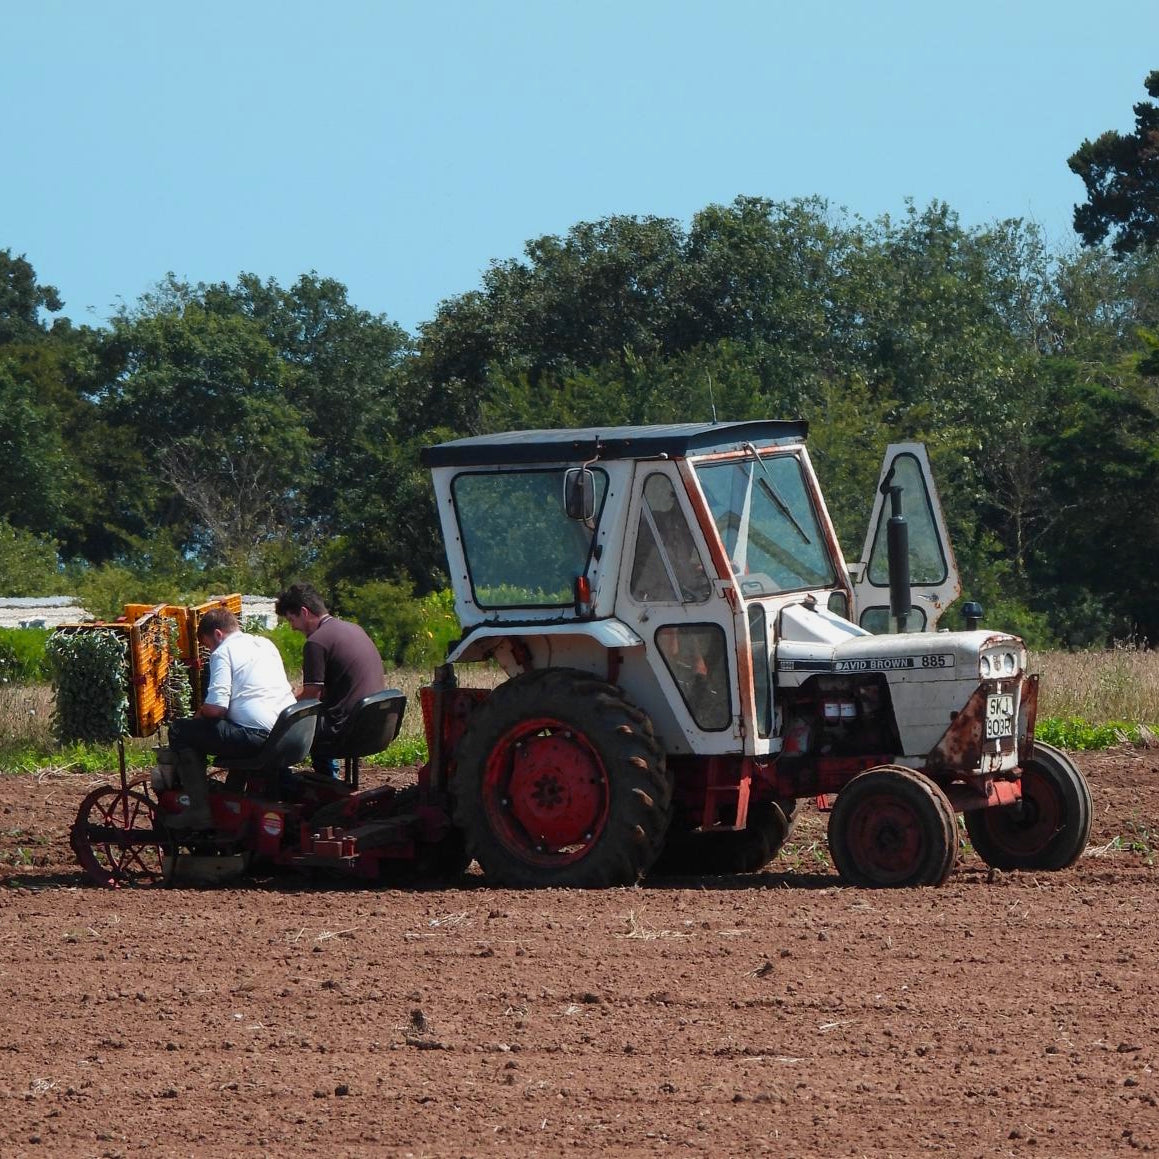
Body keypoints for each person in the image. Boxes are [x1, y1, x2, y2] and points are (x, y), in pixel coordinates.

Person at [165, 608, 296, 828]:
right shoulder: (265, 644)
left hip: (258, 738)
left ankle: (199, 810)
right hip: (287, 731)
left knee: (180, 731)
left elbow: (216, 708)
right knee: (233, 726)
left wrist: (198, 715)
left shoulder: (223, 651)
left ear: (218, 634)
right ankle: (232, 795)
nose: (210, 650)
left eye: (208, 645)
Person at [274, 582, 386, 777]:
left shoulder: (316, 642)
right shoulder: (355, 629)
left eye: (292, 620)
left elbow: (312, 697)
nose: (292, 628)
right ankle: (328, 778)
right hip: (375, 724)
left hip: (344, 728)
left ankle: (317, 781)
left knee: (283, 728)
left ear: (304, 612)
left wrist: (284, 705)